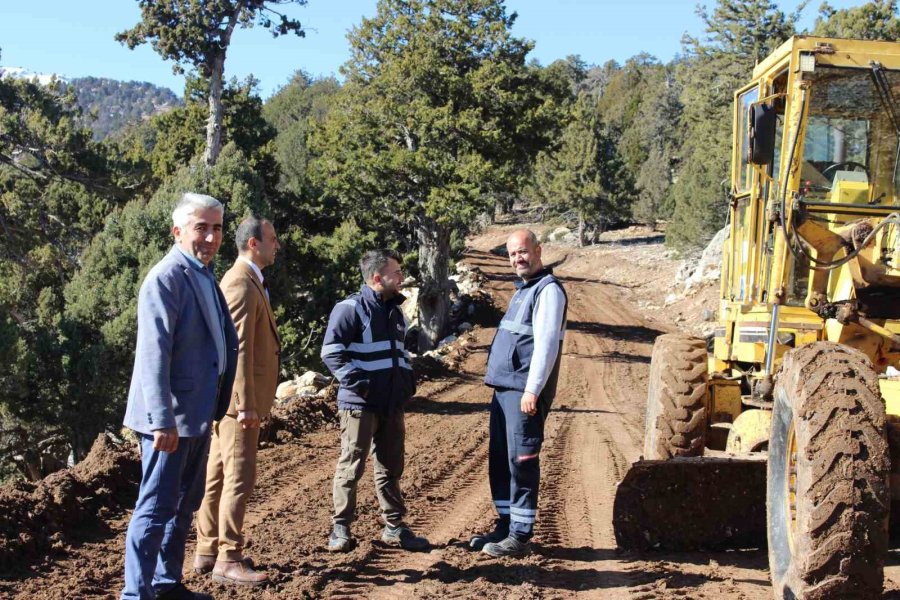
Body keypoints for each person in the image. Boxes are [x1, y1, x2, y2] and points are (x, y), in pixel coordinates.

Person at [121, 193, 238, 600]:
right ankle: (136, 593)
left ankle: (166, 584)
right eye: (200, 227)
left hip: (199, 413)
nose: (210, 236)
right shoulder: (166, 277)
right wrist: (160, 420)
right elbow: (154, 355)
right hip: (169, 419)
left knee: (183, 506)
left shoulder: (203, 274)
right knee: (154, 508)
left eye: (217, 228)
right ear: (177, 231)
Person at [320, 248, 429, 553]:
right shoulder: (349, 309)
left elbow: (399, 353)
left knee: (391, 466)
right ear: (378, 278)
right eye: (396, 273)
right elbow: (330, 353)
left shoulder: (395, 311)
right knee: (351, 465)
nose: (402, 277)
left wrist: (406, 383)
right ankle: (340, 529)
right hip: (360, 405)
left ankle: (394, 528)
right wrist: (362, 386)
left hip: (392, 404)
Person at [194, 216, 281, 586]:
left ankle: (206, 550)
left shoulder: (247, 280)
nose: (277, 245)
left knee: (216, 476)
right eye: (272, 239)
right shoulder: (242, 283)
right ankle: (228, 557)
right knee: (238, 478)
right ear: (253, 244)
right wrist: (245, 403)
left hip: (231, 402)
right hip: (238, 404)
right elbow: (238, 348)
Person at [471, 229, 567, 558]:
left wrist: (533, 390)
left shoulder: (549, 291)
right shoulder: (523, 289)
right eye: (512, 254)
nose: (518, 259)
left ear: (538, 250)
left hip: (523, 393)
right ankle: (505, 524)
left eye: (523, 251)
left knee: (521, 462)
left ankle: (520, 536)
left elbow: (546, 347)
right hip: (504, 391)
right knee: (500, 461)